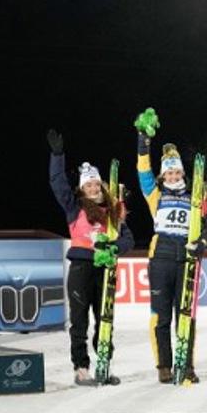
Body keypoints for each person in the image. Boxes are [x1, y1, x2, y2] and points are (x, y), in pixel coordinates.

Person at [48, 129, 134, 386]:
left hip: (105, 269)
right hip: (81, 268)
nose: (93, 188)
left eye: (96, 184)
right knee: (80, 320)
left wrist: (115, 248)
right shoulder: (74, 207)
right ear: (82, 188)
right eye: (88, 185)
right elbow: (57, 182)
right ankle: (81, 367)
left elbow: (127, 238)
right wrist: (57, 155)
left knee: (105, 319)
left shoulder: (113, 211)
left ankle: (104, 362)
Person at [135, 122, 207, 383]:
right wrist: (143, 143)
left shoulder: (195, 194)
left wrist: (202, 243)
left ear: (182, 172)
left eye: (176, 172)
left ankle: (187, 363)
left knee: (186, 314)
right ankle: (164, 365)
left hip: (188, 257)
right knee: (161, 315)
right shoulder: (154, 194)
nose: (173, 177)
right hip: (160, 257)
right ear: (163, 176)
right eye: (168, 174)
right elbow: (143, 171)